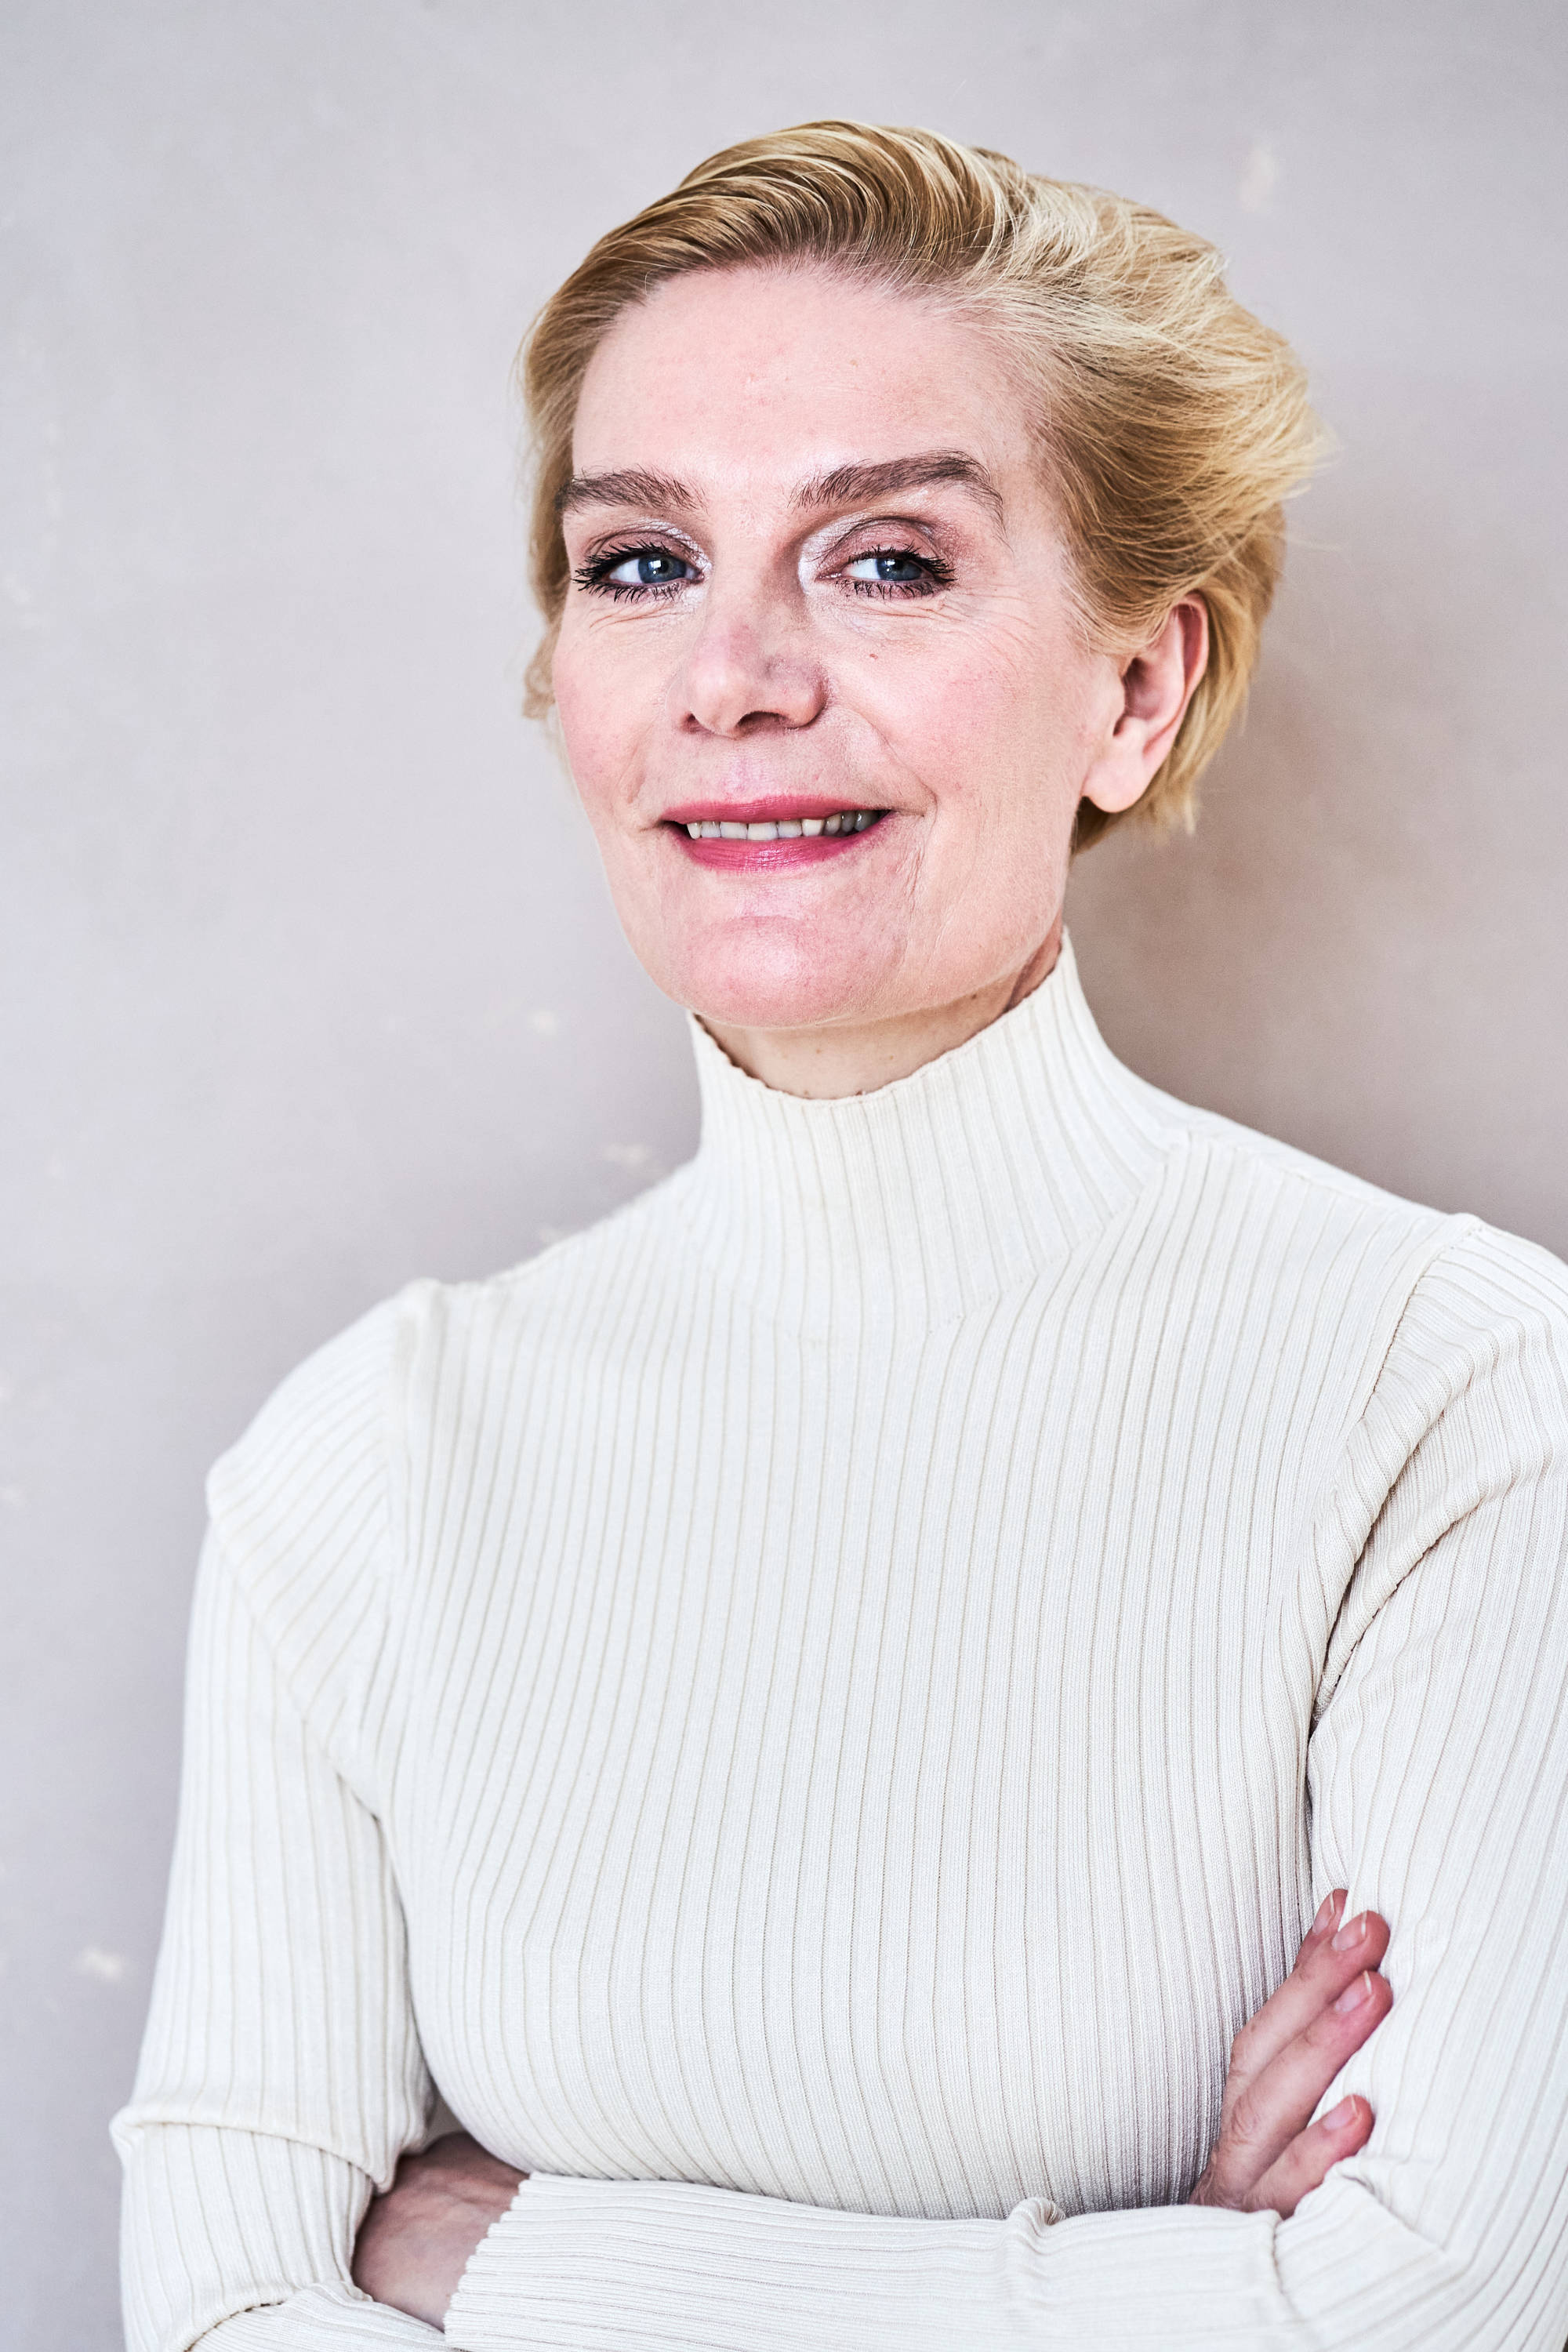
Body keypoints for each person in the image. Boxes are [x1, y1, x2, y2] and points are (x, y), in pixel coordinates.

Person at [114, 122, 1568, 2350]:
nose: (733, 675)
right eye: (640, 563)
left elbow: (1448, 2307)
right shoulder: (375, 1459)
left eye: (886, 560)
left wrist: (514, 2260)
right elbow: (224, 2318)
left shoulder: (1446, 1395)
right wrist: (1172, 2288)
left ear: (1136, 688)